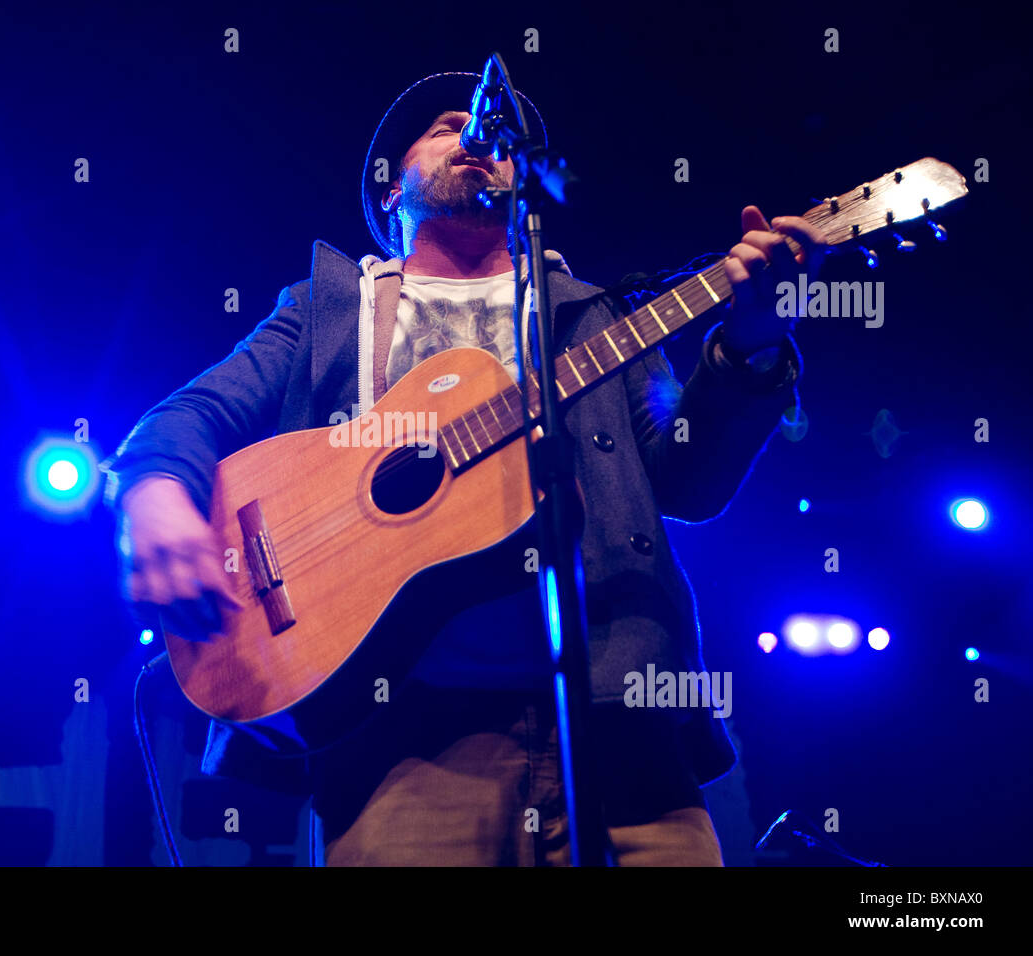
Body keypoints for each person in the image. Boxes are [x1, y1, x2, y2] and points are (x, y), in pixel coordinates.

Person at [103, 72, 826, 866]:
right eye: (446, 129)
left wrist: (752, 341)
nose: (476, 139)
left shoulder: (595, 318)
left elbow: (689, 481)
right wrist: (155, 497)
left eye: (492, 137)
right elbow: (187, 417)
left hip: (620, 734)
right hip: (403, 748)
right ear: (389, 195)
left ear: (525, 183)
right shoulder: (329, 310)